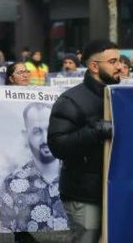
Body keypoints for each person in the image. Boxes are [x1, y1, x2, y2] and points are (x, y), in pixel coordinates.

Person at [47, 40, 120, 243]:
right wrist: (96, 130)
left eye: (120, 61)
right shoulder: (71, 100)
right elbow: (58, 145)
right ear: (94, 66)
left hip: (116, 190)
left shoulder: (122, 96)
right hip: (85, 194)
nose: (119, 66)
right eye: (113, 61)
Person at [1, 62, 66, 242]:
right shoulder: (2, 97)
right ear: (11, 78)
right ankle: (21, 234)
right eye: (20, 72)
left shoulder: (38, 92)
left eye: (26, 71)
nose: (25, 74)